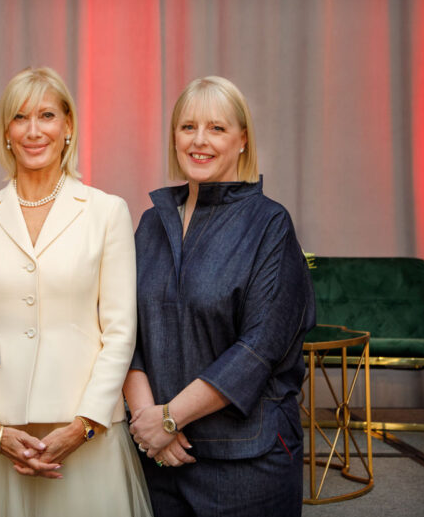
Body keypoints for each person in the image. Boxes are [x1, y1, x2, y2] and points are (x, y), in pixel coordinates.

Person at [0, 67, 152, 517]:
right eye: (20, 118)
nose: (34, 130)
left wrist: (82, 426)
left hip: (85, 434)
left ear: (69, 126)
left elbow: (120, 332)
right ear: (6, 132)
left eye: (47, 116)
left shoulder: (106, 212)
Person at [124, 75, 315, 517]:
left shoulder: (270, 224)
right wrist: (148, 420)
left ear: (243, 139)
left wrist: (169, 418)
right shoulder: (151, 223)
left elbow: (258, 350)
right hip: (159, 458)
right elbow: (124, 330)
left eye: (217, 128)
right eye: (188, 127)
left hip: (246, 464)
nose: (199, 140)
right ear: (174, 137)